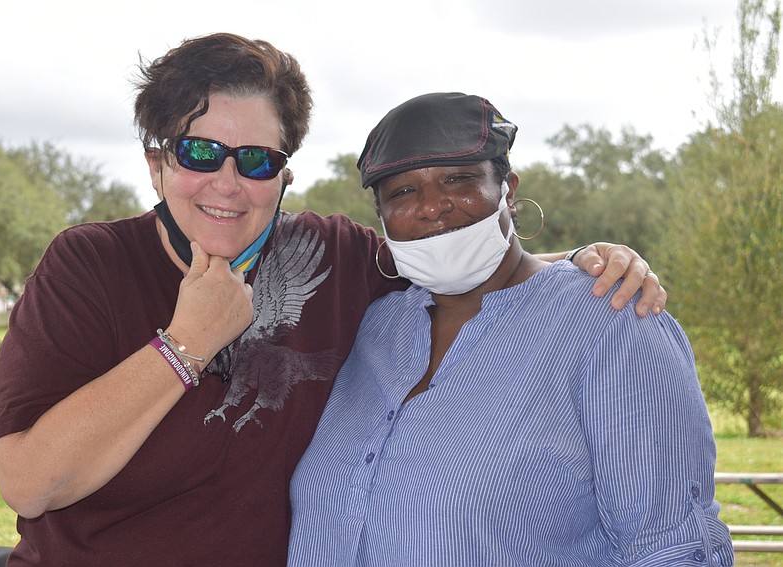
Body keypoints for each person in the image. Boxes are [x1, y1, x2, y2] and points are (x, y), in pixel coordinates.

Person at [0, 35, 666, 566]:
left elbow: (456, 254)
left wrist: (585, 261)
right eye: (199, 152)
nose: (227, 183)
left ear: (283, 176)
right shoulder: (88, 265)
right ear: (157, 163)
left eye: (255, 161)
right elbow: (28, 481)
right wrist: (185, 343)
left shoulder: (336, 257)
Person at [288, 92, 733, 566]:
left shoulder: (611, 319)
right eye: (402, 192)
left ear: (508, 189)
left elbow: (671, 547)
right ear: (380, 216)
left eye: (458, 180)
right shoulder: (377, 326)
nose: (431, 207)